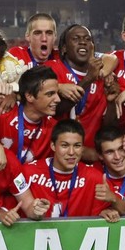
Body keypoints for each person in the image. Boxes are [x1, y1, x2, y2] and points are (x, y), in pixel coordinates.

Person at [23, 119, 125, 220]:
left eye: (77, 146)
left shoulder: (93, 176)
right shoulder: (29, 172)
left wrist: (113, 200)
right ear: (53, 146)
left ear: (82, 148)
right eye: (65, 145)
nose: (71, 152)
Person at [45, 24, 106, 161]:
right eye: (76, 39)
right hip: (55, 157)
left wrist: (113, 101)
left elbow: (106, 125)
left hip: (91, 160)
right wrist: (88, 79)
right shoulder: (51, 69)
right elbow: (56, 110)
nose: (83, 42)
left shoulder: (102, 77)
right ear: (65, 48)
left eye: (87, 39)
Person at [0, 65, 60, 163]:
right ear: (29, 96)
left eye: (57, 93)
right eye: (50, 94)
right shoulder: (1, 113)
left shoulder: (54, 128)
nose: (58, 99)